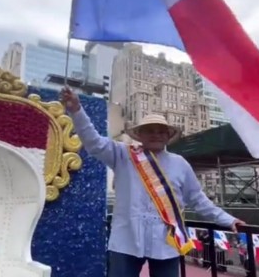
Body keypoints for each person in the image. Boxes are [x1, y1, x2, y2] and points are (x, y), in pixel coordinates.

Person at [61, 87, 245, 277]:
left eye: (160, 131)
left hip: (166, 244)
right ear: (139, 135)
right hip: (126, 241)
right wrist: (76, 111)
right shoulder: (123, 154)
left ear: (168, 136)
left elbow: (198, 199)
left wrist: (229, 220)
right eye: (149, 130)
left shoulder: (180, 164)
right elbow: (93, 142)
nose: (155, 134)